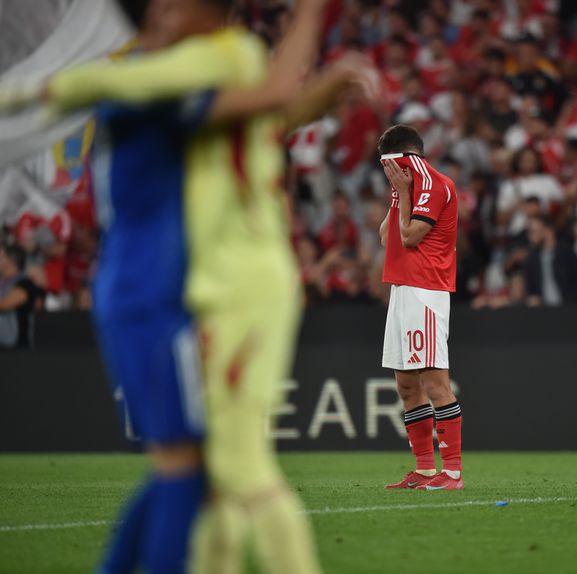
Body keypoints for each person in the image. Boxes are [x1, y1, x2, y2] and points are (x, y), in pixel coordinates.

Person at [0, 0, 374, 570]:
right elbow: (271, 100)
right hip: (159, 289)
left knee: (200, 466)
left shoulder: (178, 81)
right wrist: (312, 23)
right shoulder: (161, 84)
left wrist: (323, 80)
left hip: (195, 286)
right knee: (197, 467)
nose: (168, 17)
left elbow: (272, 109)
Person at [378, 124, 463, 491]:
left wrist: (403, 193)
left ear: (401, 158)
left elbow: (411, 236)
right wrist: (399, 195)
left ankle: (453, 473)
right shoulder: (407, 186)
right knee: (406, 385)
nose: (385, 170)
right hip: (401, 289)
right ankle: (425, 469)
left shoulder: (435, 184)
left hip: (425, 288)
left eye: (386, 163)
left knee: (434, 382)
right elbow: (387, 238)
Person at [523, 216, 577, 306]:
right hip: (544, 311)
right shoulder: (532, 259)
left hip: (569, 308)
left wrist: (572, 303)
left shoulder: (566, 252)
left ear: (548, 231)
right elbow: (531, 289)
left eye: (534, 231)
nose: (530, 236)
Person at [0, 242, 42, 349]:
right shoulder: (3, 283)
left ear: (11, 261)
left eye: (1, 256)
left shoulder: (25, 284)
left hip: (18, 349)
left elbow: (5, 304)